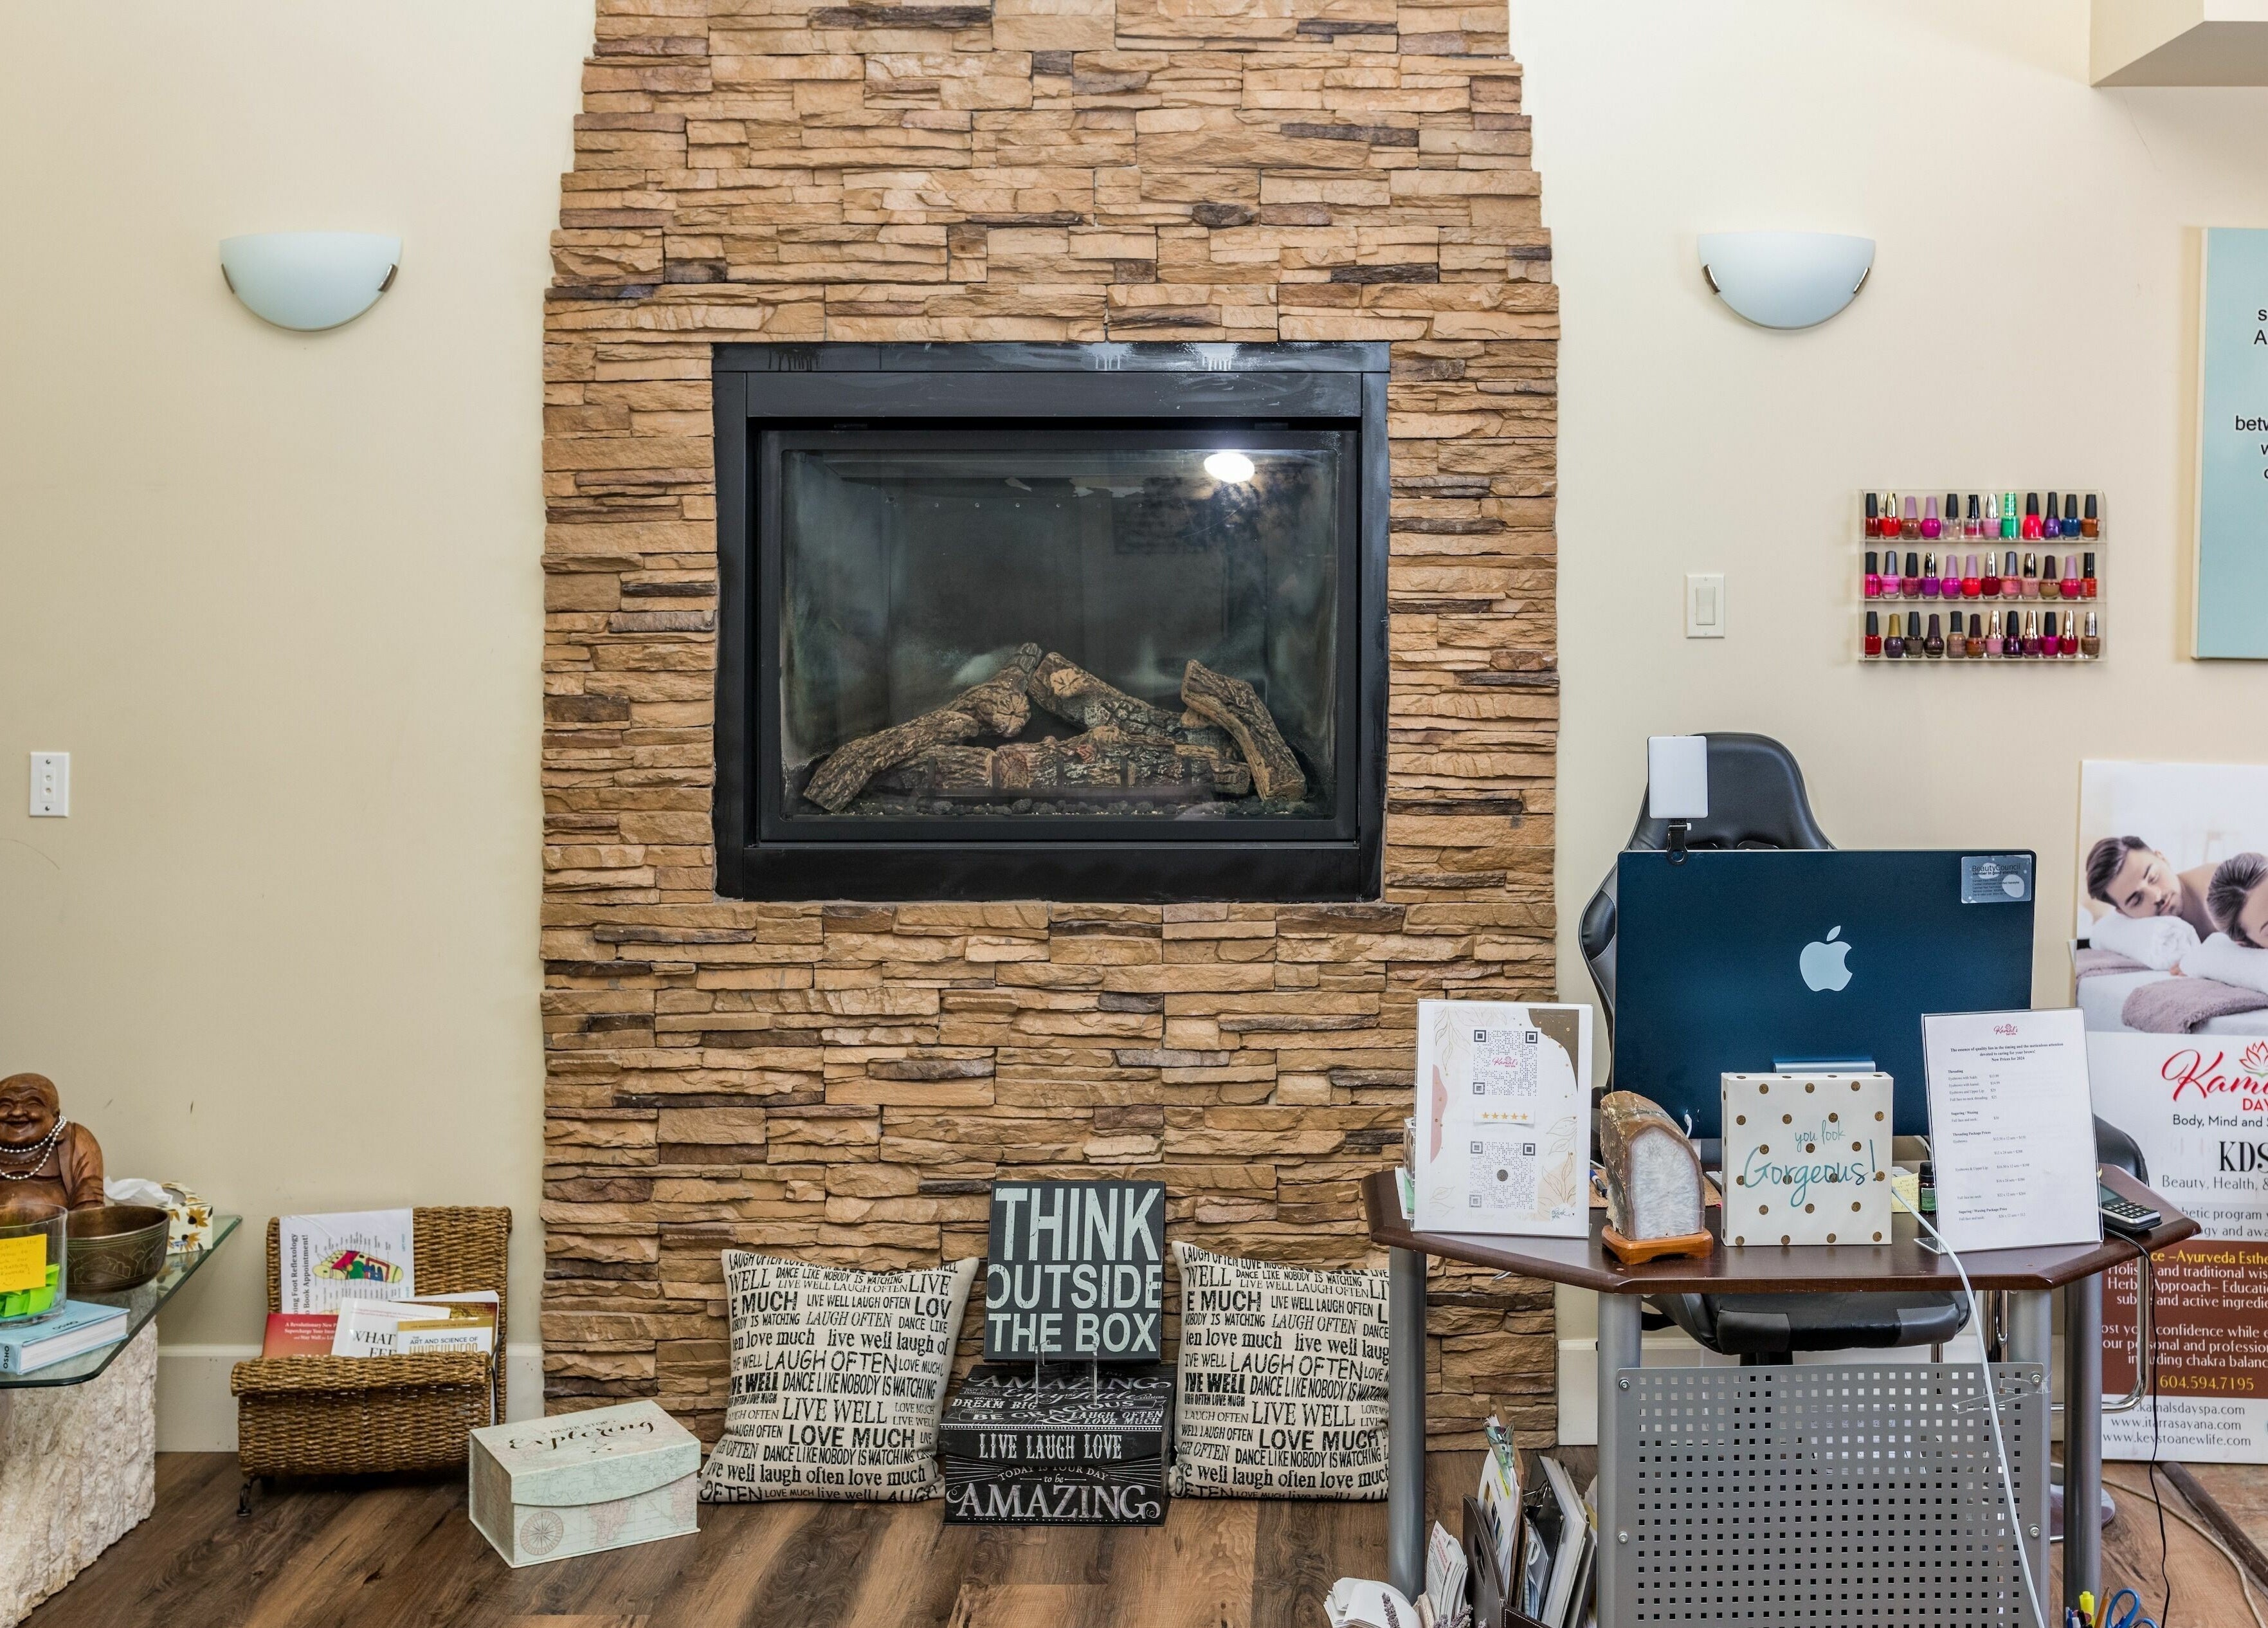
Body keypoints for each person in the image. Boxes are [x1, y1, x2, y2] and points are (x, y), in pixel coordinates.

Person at [2083, 835, 2215, 969]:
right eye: (2137, 900)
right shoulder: (2160, 938)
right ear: (2123, 912)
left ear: (2162, 858)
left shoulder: (2224, 888)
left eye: (2153, 877)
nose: (2156, 896)